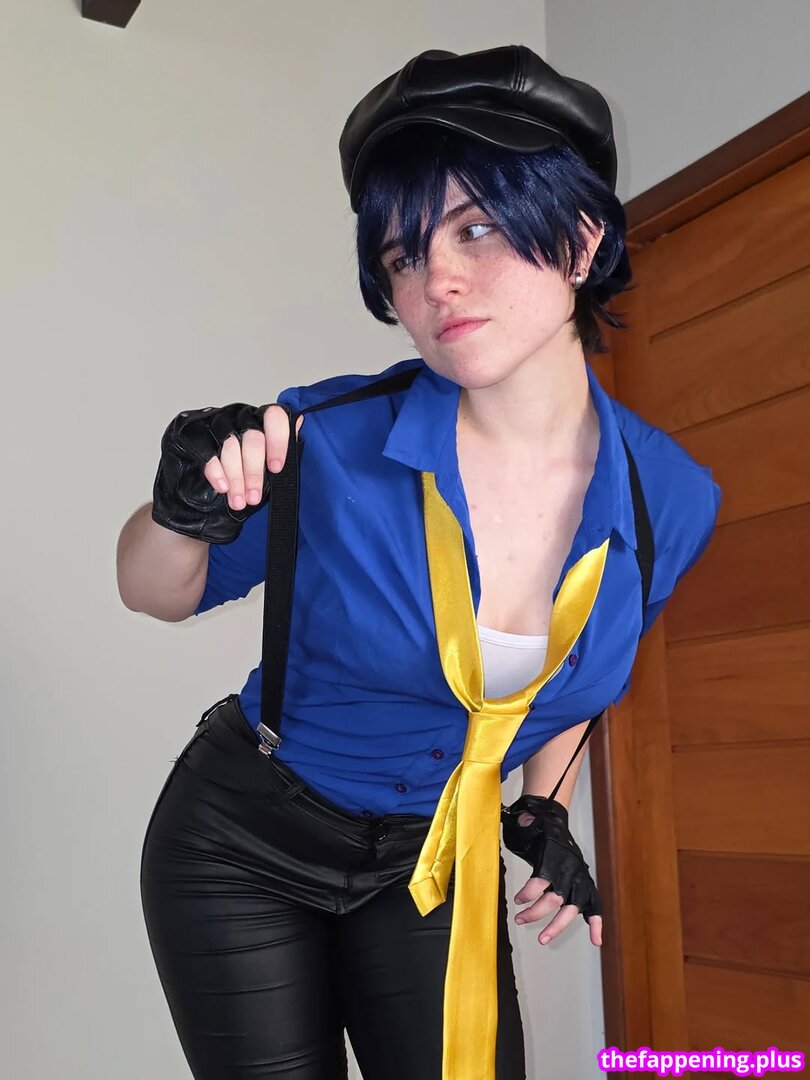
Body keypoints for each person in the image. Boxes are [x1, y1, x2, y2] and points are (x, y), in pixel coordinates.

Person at [117, 45, 722, 1080]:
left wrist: (541, 805)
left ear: (582, 240)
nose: (435, 279)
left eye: (476, 228)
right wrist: (180, 511)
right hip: (243, 847)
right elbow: (151, 591)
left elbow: (582, 668)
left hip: (432, 857)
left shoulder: (670, 500)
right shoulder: (331, 440)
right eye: (402, 255)